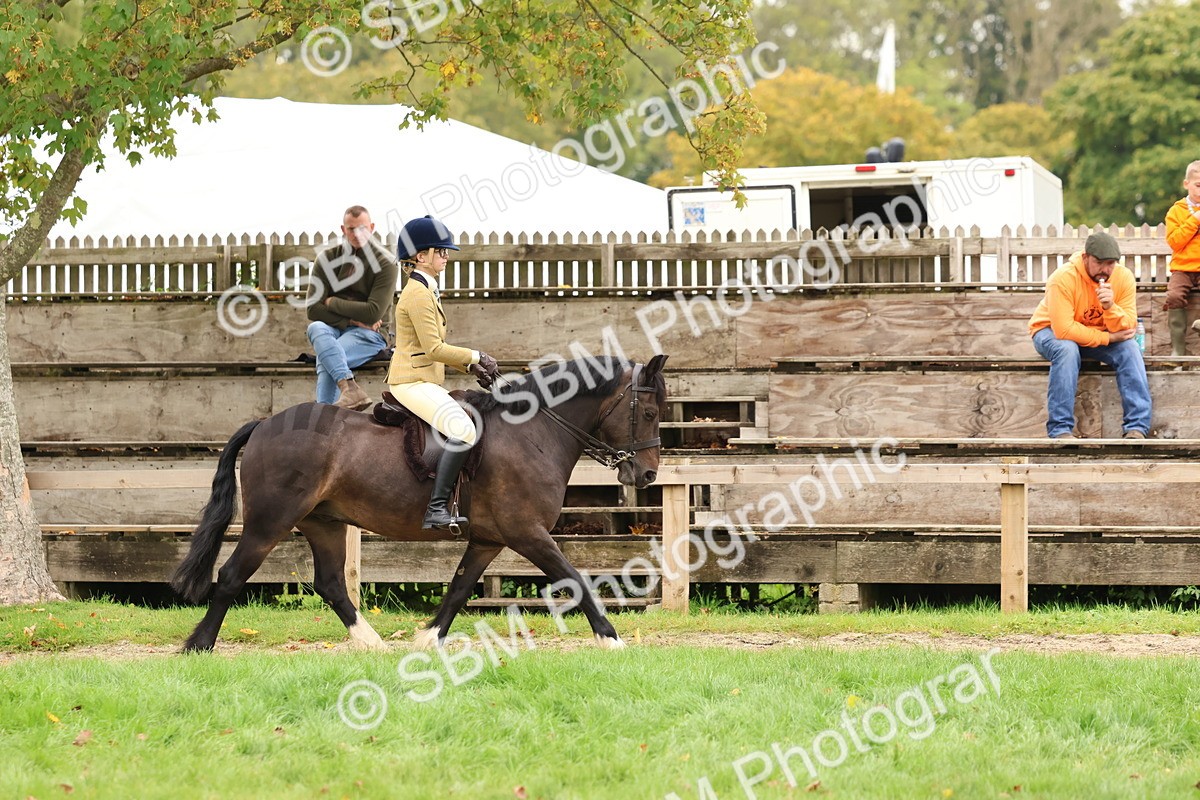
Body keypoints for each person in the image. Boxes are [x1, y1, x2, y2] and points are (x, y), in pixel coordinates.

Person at [387, 215, 499, 530]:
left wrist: (470, 365)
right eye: (441, 251)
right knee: (464, 430)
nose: (446, 257)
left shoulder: (427, 288)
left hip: (424, 379)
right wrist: (478, 355)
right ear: (420, 256)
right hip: (410, 382)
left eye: (447, 252)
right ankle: (436, 509)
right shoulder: (418, 293)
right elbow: (435, 348)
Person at [1028, 231, 1152, 440]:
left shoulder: (1123, 277)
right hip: (1048, 331)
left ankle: (1137, 428)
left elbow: (1128, 325)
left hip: (1093, 333)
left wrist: (1110, 307)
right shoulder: (1063, 278)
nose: (1105, 269)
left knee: (1130, 349)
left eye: (1111, 263)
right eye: (1099, 262)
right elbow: (1063, 330)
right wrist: (1108, 339)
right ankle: (1060, 430)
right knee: (1067, 350)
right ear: (1085, 257)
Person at [305, 205, 399, 410]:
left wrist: (331, 302)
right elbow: (312, 309)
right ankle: (350, 390)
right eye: (351, 229)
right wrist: (352, 320)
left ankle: (323, 419)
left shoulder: (386, 263)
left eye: (363, 228)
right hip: (337, 328)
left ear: (372, 227)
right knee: (315, 328)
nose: (357, 234)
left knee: (328, 357)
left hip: (370, 334)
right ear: (343, 229)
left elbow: (374, 312)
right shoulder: (327, 259)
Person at [1165, 160, 1200, 354]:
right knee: (1174, 296)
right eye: (1198, 185)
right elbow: (1175, 242)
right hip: (1183, 268)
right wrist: (1194, 220)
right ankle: (1178, 350)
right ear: (1186, 184)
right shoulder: (1176, 211)